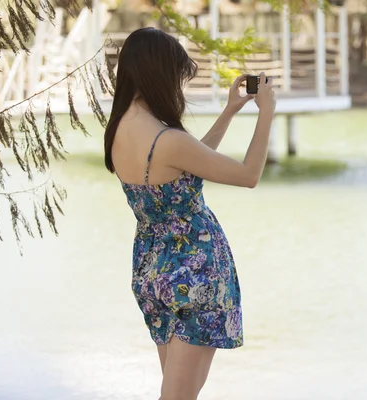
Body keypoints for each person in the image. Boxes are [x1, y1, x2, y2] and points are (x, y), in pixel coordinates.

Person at [103, 27, 276, 400]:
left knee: (176, 392)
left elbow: (190, 163)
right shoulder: (169, 140)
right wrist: (267, 114)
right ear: (159, 74)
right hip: (192, 270)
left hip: (151, 268)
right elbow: (249, 175)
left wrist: (230, 111)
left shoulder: (119, 130)